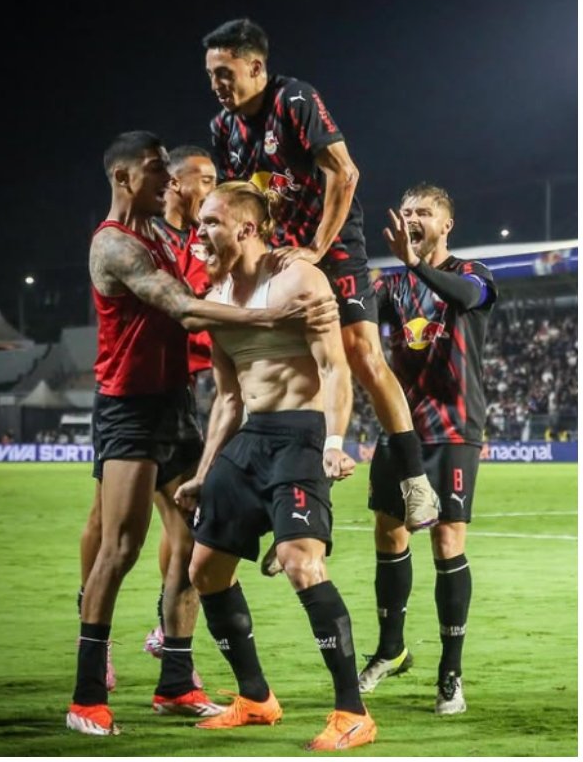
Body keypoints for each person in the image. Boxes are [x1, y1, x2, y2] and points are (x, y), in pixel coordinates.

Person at [67, 131, 338, 737]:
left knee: (194, 542)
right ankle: (87, 692)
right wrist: (271, 314)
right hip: (128, 411)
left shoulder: (164, 234)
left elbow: (220, 266)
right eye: (155, 170)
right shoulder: (114, 245)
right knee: (121, 546)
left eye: (170, 171)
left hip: (178, 406)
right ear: (122, 177)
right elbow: (185, 308)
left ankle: (177, 683)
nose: (167, 180)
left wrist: (290, 256)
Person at [203, 18, 440, 536]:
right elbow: (238, 201)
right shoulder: (223, 130)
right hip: (281, 258)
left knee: (360, 353)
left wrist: (316, 246)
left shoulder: (294, 100)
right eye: (211, 75)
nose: (217, 84)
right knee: (297, 371)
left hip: (331, 248)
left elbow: (345, 173)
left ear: (256, 67)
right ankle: (300, 507)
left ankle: (416, 482)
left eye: (225, 72)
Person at [177, 181, 376, 750]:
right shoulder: (216, 296)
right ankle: (256, 697)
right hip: (248, 439)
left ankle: (352, 713)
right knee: (205, 571)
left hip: (300, 435)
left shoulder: (300, 280)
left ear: (245, 227)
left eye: (211, 222)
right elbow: (228, 397)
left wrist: (335, 441)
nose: (201, 234)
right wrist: (204, 470)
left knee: (300, 563)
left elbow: (335, 369)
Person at [358, 184, 496, 715]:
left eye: (425, 212)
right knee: (389, 533)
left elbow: (463, 301)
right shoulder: (391, 285)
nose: (413, 217)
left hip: (455, 428)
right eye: (408, 211)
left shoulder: (473, 274)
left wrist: (414, 263)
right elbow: (355, 311)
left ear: (446, 225)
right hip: (402, 429)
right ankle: (391, 649)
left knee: (446, 540)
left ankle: (450, 672)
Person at [141, 144, 218, 663]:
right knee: (111, 533)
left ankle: (168, 639)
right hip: (137, 394)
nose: (213, 188)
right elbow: (185, 311)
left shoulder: (203, 239)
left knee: (185, 521)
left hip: (189, 390)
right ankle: (94, 642)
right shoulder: (142, 238)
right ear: (175, 181)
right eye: (205, 179)